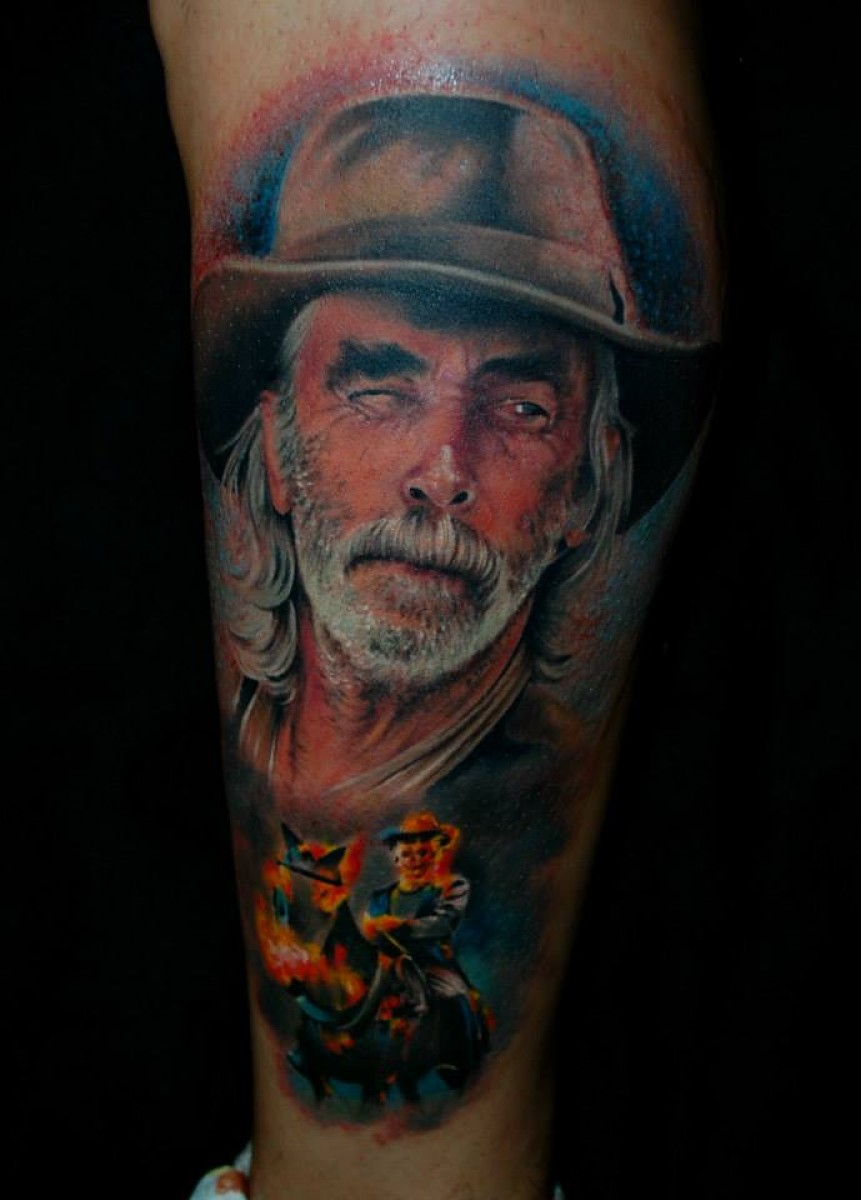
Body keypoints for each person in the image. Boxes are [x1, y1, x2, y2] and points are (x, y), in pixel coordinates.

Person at [193, 90, 716, 807]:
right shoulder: (236, 742)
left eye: (521, 410)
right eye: (379, 391)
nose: (442, 474)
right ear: (278, 452)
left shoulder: (537, 814)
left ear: (586, 485)